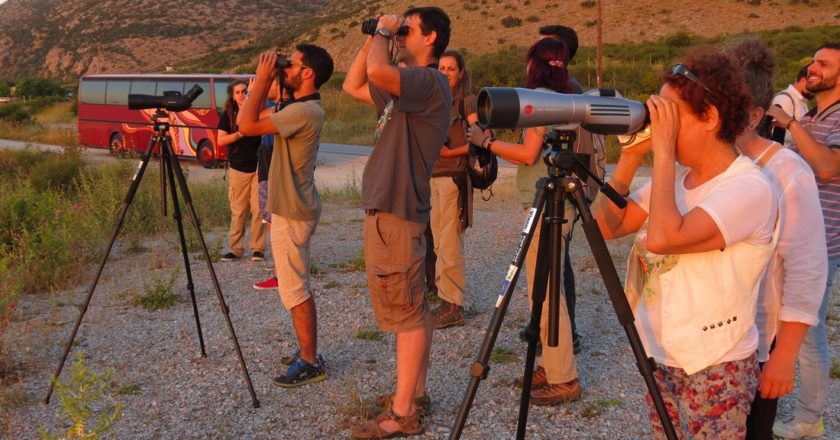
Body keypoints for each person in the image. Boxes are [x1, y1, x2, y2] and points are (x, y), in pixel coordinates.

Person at [592, 47, 777, 438]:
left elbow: (662, 238)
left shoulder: (749, 187)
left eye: (669, 115)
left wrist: (661, 152)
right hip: (663, 357)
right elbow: (603, 227)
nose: (661, 125)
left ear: (710, 117)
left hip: (715, 367)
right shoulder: (678, 182)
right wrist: (628, 158)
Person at [342, 7, 451, 438]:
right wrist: (374, 34)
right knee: (414, 307)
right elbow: (354, 84)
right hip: (396, 208)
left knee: (404, 314)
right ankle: (416, 392)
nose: (402, 34)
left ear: (431, 38)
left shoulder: (428, 81)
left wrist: (386, 32)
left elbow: (382, 74)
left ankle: (403, 412)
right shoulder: (409, 90)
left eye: (410, 29)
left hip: (396, 209)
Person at [467, 37, 585, 406]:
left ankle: (564, 377)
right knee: (545, 290)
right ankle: (551, 366)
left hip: (550, 204)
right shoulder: (565, 94)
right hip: (554, 201)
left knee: (549, 295)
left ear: (534, 63)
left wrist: (485, 141)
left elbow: (528, 153)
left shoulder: (543, 99)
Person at [724, 37, 827, 440]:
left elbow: (806, 272)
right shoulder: (703, 162)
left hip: (757, 344)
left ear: (750, 114)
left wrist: (784, 358)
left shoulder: (787, 172)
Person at [238, 44, 334, 387]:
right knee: (297, 284)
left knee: (294, 289)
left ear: (308, 73)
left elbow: (245, 123)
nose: (284, 67)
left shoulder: (304, 112)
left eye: (290, 63)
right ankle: (308, 351)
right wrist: (275, 76)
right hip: (295, 206)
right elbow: (267, 112)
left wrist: (262, 78)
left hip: (293, 211)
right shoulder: (302, 106)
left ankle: (310, 360)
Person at [766, 42, 840, 439]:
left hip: (822, 243)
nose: (813, 68)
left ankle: (810, 420)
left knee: (807, 331)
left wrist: (790, 124)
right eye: (812, 61)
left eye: (823, 64)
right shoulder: (815, 115)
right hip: (796, 238)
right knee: (785, 323)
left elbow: (828, 168)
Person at [429, 49, 475, 330]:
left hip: (453, 176)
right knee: (438, 242)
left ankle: (453, 306)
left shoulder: (467, 102)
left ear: (461, 73)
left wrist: (450, 153)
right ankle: (445, 299)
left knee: (449, 243)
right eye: (441, 68)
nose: (445, 73)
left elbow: (481, 140)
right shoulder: (436, 101)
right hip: (434, 177)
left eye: (451, 68)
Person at [217, 80, 265, 262]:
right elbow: (221, 140)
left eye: (245, 91)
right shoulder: (228, 115)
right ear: (233, 95)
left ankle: (257, 248)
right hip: (239, 168)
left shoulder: (257, 110)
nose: (242, 95)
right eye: (238, 92)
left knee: (259, 209)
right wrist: (240, 133)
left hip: (259, 166)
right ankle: (236, 249)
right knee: (239, 210)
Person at [770, 65, 814, 147]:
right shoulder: (785, 99)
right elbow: (778, 136)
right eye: (812, 84)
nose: (814, 90)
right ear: (803, 81)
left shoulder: (801, 101)